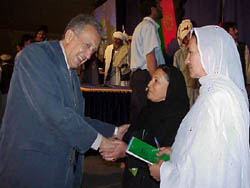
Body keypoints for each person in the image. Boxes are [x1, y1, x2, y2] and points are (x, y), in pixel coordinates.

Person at [0, 14, 129, 188]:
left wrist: (114, 131)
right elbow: (54, 113)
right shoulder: (34, 56)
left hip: (61, 171)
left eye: (93, 51)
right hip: (31, 170)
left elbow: (76, 118)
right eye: (87, 45)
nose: (88, 55)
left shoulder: (72, 74)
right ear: (69, 36)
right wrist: (100, 143)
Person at [149, 26, 250, 187]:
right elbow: (202, 148)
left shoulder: (218, 99)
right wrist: (175, 153)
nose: (187, 60)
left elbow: (206, 169)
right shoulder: (212, 93)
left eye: (191, 52)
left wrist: (165, 173)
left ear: (209, 54)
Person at [101, 65, 189, 188]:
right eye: (151, 79)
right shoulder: (147, 111)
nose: (148, 84)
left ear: (170, 88)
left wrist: (127, 149)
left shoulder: (179, 120)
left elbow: (165, 154)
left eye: (156, 81)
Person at [130, 0, 165, 123]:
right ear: (152, 9)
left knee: (139, 117)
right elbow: (150, 58)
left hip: (140, 78)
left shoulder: (140, 27)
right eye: (159, 6)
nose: (161, 8)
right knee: (146, 118)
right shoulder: (148, 27)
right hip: (146, 77)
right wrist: (156, 81)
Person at [173, 19, 199, 106]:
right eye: (185, 38)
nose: (187, 41)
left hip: (198, 91)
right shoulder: (178, 55)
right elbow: (176, 79)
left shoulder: (199, 52)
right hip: (185, 93)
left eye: (189, 36)